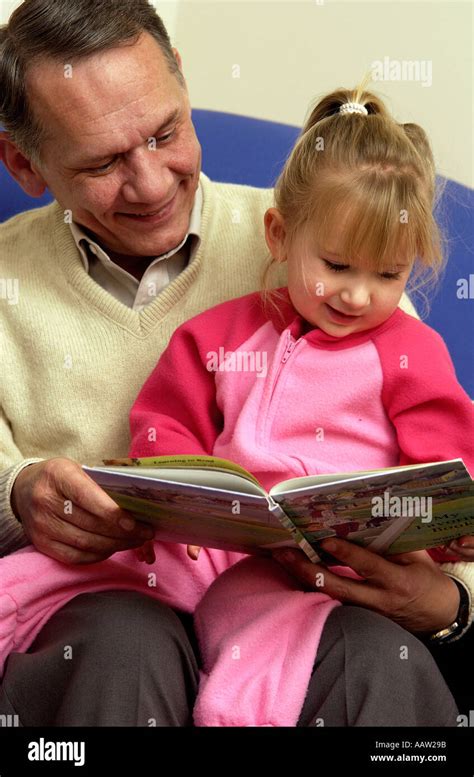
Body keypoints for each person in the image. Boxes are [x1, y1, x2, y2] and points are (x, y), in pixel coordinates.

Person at [0, 0, 468, 726]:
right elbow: (165, 422)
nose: (153, 184)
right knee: (124, 645)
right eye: (102, 162)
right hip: (113, 596)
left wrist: (451, 598)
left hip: (308, 592)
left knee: (380, 659)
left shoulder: (330, 233)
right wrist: (19, 491)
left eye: (165, 132)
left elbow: (445, 462)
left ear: (183, 84)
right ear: (23, 163)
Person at [127, 84, 474, 726]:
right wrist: (179, 494)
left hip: (353, 568)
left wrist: (451, 530)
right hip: (232, 552)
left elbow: (448, 464)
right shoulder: (223, 333)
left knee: (310, 636)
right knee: (102, 578)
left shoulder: (411, 352)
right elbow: (162, 422)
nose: (358, 295)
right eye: (337, 265)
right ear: (280, 235)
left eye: (389, 274)